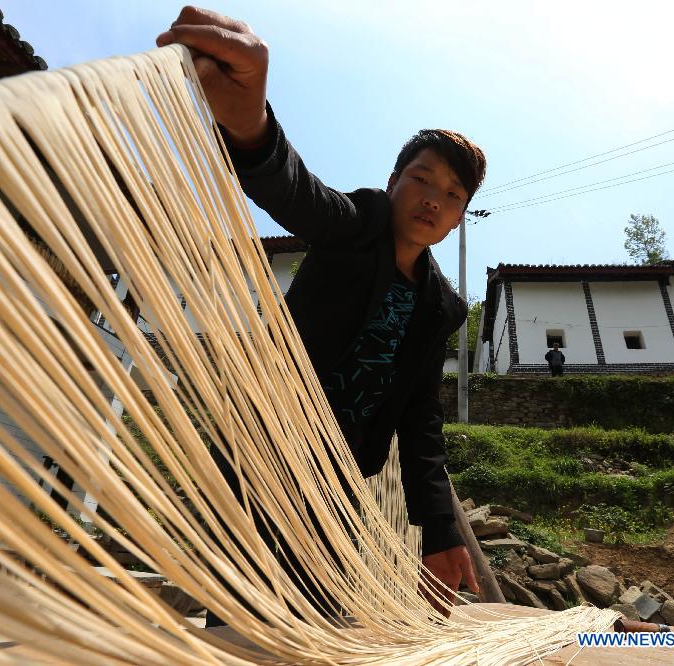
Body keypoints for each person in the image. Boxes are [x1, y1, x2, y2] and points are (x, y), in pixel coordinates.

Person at [157, 6, 486, 618]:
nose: (433, 200)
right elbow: (297, 193)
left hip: (342, 477)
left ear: (458, 217)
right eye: (422, 179)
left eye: (452, 195)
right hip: (269, 447)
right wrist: (251, 126)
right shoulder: (356, 224)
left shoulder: (440, 307)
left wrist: (439, 532)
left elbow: (420, 419)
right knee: (245, 611)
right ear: (393, 182)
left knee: (318, 618)